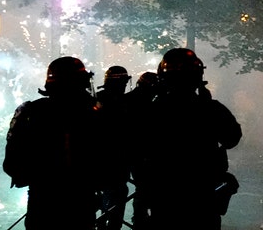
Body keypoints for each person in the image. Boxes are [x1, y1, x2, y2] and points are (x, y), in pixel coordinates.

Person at [141, 48, 242, 230]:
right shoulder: (211, 109)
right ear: (198, 75)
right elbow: (231, 139)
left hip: (164, 194)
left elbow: (137, 149)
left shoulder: (151, 111)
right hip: (203, 194)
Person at [3, 56, 100, 230]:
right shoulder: (95, 115)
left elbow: (12, 164)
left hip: (42, 203)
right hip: (81, 202)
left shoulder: (30, 112)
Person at [94, 66, 132, 230]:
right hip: (113, 164)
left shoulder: (95, 100)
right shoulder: (125, 104)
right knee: (115, 202)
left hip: (99, 163)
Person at [124, 71, 158, 229]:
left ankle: (139, 219)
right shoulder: (150, 105)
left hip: (127, 154)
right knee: (145, 189)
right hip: (143, 156)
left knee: (141, 189)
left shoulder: (126, 100)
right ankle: (142, 220)